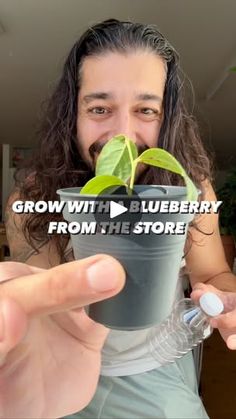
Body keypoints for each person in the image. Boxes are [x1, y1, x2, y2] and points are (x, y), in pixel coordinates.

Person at [1, 18, 236, 419]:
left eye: (146, 109)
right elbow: (42, 308)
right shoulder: (32, 202)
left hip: (158, 369)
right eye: (99, 108)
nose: (122, 134)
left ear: (168, 117)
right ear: (72, 114)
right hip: (62, 372)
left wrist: (226, 299)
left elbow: (213, 274)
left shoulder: (191, 192)